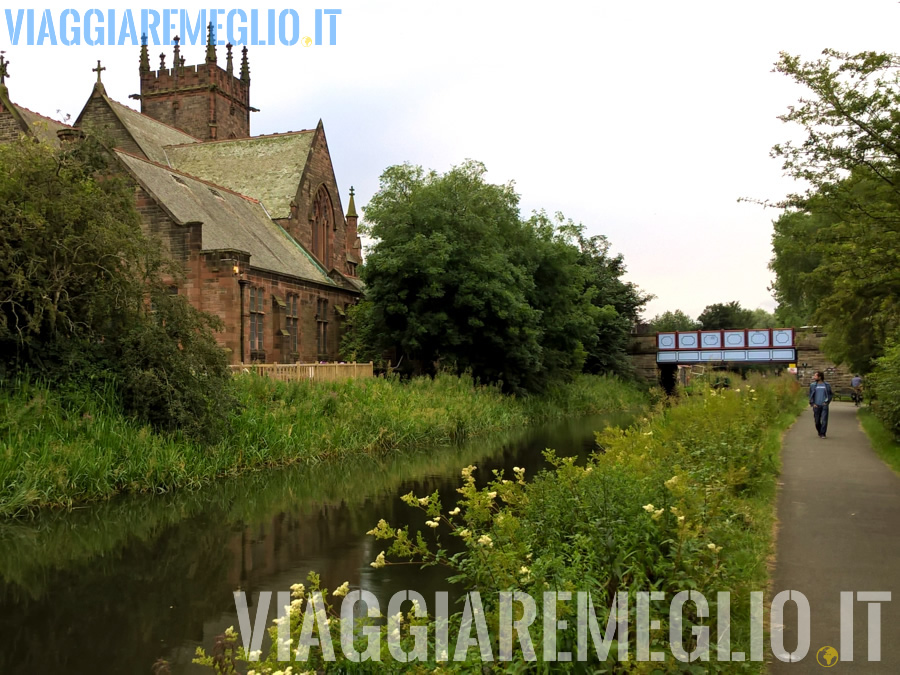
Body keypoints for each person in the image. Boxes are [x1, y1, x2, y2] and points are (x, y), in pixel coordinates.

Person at [809, 371, 834, 438]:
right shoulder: (813, 385)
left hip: (824, 405)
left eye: (815, 376)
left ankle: (823, 433)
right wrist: (812, 403)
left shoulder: (827, 385)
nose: (814, 377)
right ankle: (820, 431)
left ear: (820, 377)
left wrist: (827, 402)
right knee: (817, 421)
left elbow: (830, 394)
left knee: (824, 420)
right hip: (816, 405)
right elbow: (811, 395)